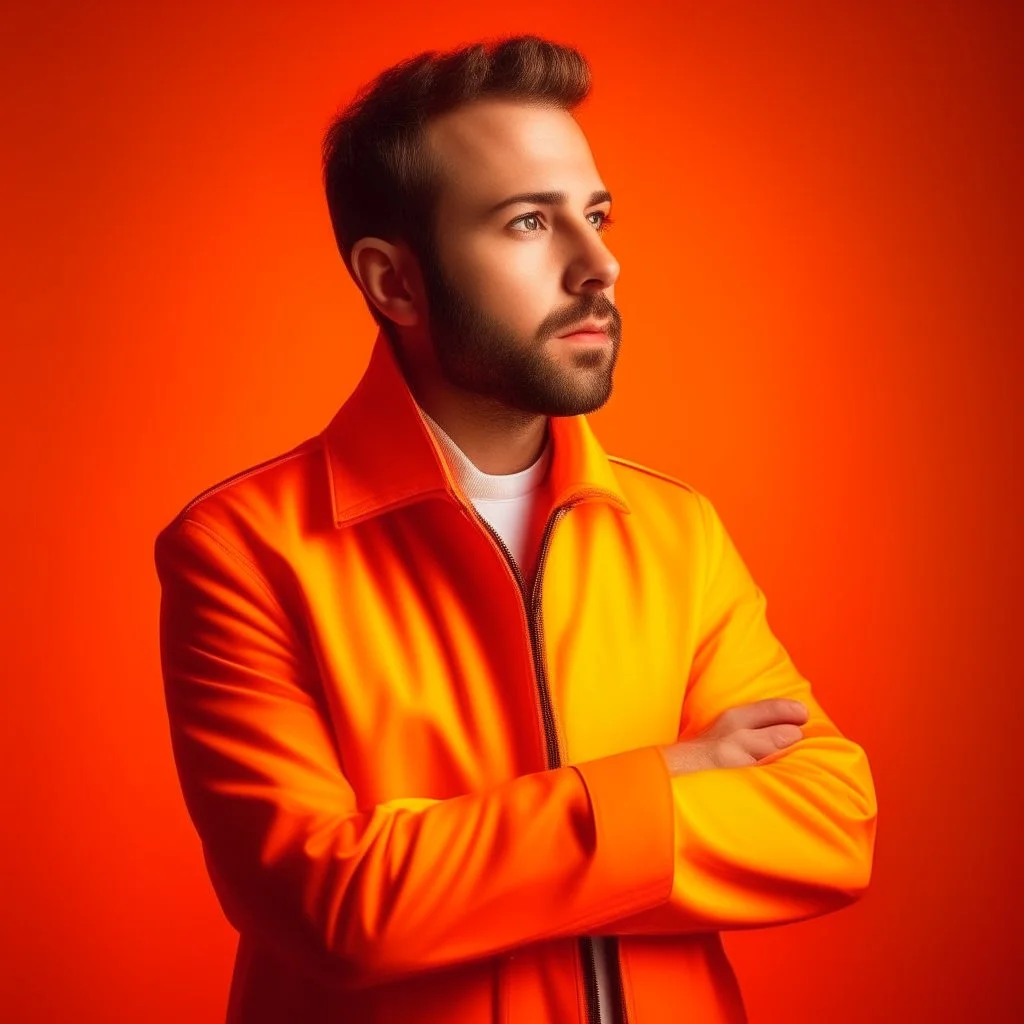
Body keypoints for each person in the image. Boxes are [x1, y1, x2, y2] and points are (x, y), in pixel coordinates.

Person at [154, 33, 877, 1024]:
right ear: (393, 282)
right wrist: (665, 775)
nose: (599, 264)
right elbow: (335, 906)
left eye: (597, 213)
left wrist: (464, 858)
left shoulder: (675, 530)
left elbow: (831, 822)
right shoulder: (241, 550)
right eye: (529, 221)